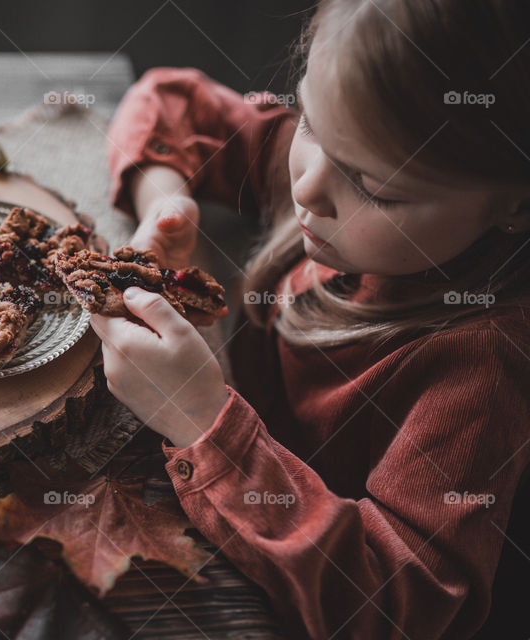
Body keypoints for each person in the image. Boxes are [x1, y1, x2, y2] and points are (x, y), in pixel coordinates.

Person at [92, 0, 530, 637]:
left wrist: (199, 417)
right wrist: (165, 199)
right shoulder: (343, 157)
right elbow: (169, 100)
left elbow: (398, 604)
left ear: (514, 203)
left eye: (376, 189)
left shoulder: (479, 369)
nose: (308, 186)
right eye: (310, 123)